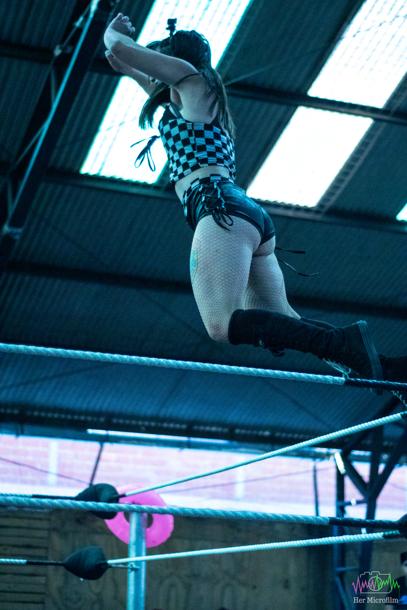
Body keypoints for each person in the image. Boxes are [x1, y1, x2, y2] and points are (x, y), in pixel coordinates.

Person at [103, 14, 406, 400]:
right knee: (284, 320)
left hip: (219, 210)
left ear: (177, 60)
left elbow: (119, 47)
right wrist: (128, 67)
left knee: (220, 324)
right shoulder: (189, 99)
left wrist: (113, 32)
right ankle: (390, 369)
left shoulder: (194, 81)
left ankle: (348, 346)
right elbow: (136, 70)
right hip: (241, 214)